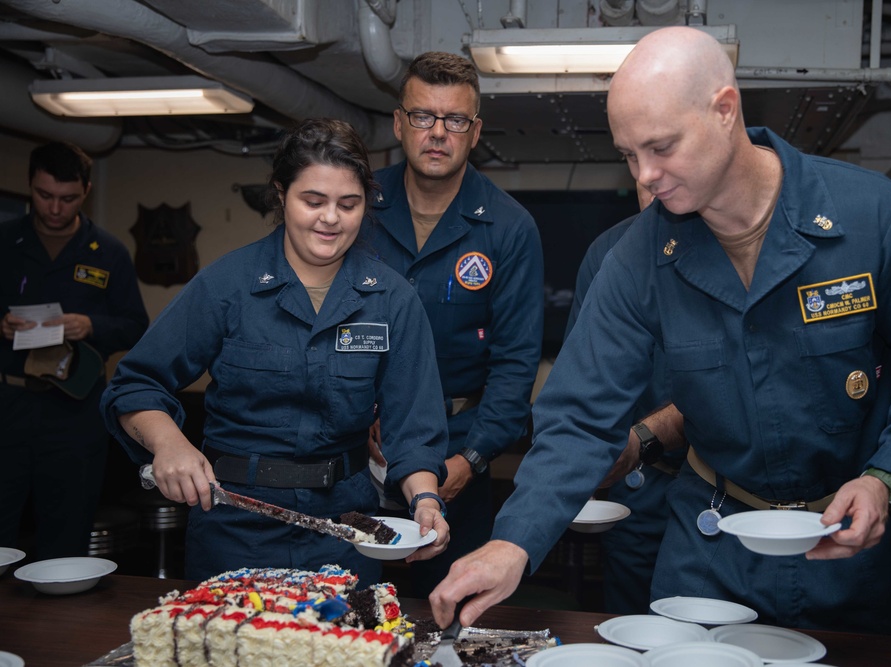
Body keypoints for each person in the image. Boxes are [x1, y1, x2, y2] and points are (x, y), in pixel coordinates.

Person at [430, 27, 891, 637]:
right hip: (713, 550)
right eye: (628, 154)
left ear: (725, 111)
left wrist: (889, 475)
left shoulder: (872, 218)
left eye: (662, 147)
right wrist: (514, 543)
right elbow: (580, 417)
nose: (645, 176)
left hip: (856, 552)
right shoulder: (637, 257)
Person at [101, 118, 451, 584]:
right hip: (235, 525)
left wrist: (425, 500)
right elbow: (136, 384)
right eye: (313, 201)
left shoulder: (391, 298)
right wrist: (170, 445)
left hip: (347, 529)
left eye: (349, 204)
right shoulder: (227, 284)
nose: (331, 218)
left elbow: (415, 428)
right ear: (280, 195)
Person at [363, 51, 544, 596]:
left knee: (452, 615)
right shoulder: (357, 207)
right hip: (353, 448)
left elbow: (515, 367)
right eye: (422, 116)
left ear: (474, 131)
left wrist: (470, 460)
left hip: (460, 448)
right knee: (348, 613)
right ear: (399, 124)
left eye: (455, 120)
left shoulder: (509, 228)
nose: (437, 133)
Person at [0, 141, 148, 559]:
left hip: (74, 409)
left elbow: (137, 326)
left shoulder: (109, 252)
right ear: (30, 185)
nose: (54, 208)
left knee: (65, 533)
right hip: (8, 402)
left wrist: (92, 325)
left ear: (85, 191)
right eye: (44, 195)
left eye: (67, 198)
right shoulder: (5, 241)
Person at [564, 183, 686, 615]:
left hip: (727, 481)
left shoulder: (735, 242)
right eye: (635, 163)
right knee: (632, 621)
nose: (651, 177)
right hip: (639, 480)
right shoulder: (609, 251)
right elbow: (582, 383)